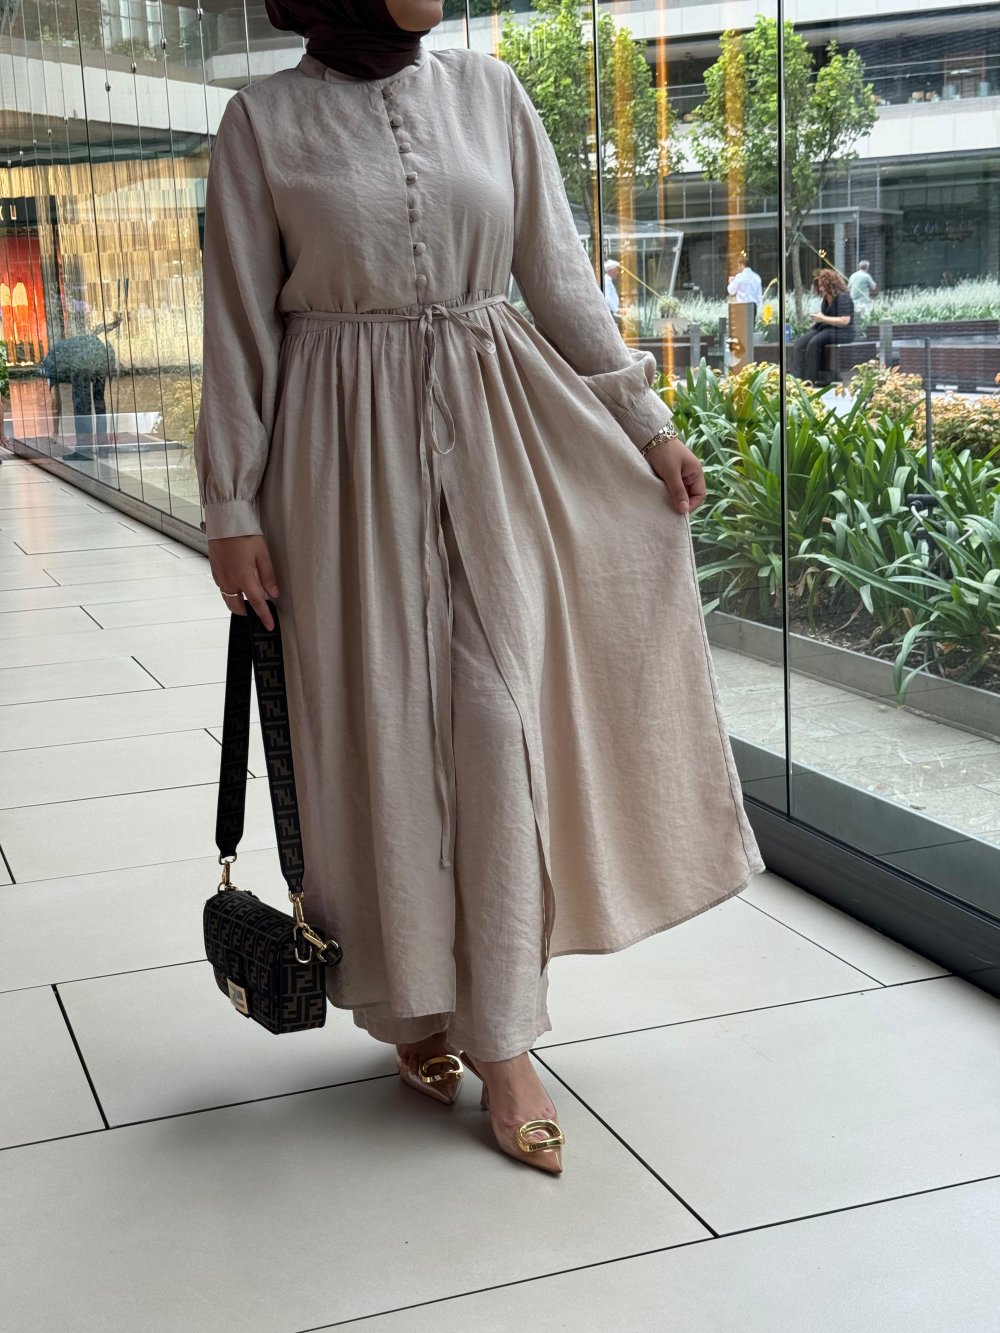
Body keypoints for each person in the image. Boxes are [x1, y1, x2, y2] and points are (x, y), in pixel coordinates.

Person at [194, 0, 765, 1177]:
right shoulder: (262, 123)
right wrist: (232, 508)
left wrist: (642, 419)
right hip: (337, 458)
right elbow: (238, 328)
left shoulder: (489, 94)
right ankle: (413, 1007)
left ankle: (504, 1039)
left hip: (497, 425)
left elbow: (554, 272)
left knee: (496, 724)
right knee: (383, 738)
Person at [791, 269, 856, 383]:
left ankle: (809, 379)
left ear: (831, 285)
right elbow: (825, 317)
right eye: (820, 286)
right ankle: (795, 379)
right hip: (826, 328)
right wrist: (819, 319)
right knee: (799, 344)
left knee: (814, 342)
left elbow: (845, 320)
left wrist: (823, 318)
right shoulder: (826, 299)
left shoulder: (843, 298)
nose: (821, 289)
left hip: (843, 331)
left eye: (822, 286)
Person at [727, 256, 763, 321]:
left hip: (741, 307)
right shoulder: (757, 277)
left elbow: (731, 291)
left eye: (738, 266)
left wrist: (730, 282)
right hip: (753, 307)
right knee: (751, 326)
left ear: (742, 265)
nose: (738, 268)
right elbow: (759, 296)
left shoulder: (739, 277)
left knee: (741, 326)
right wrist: (756, 305)